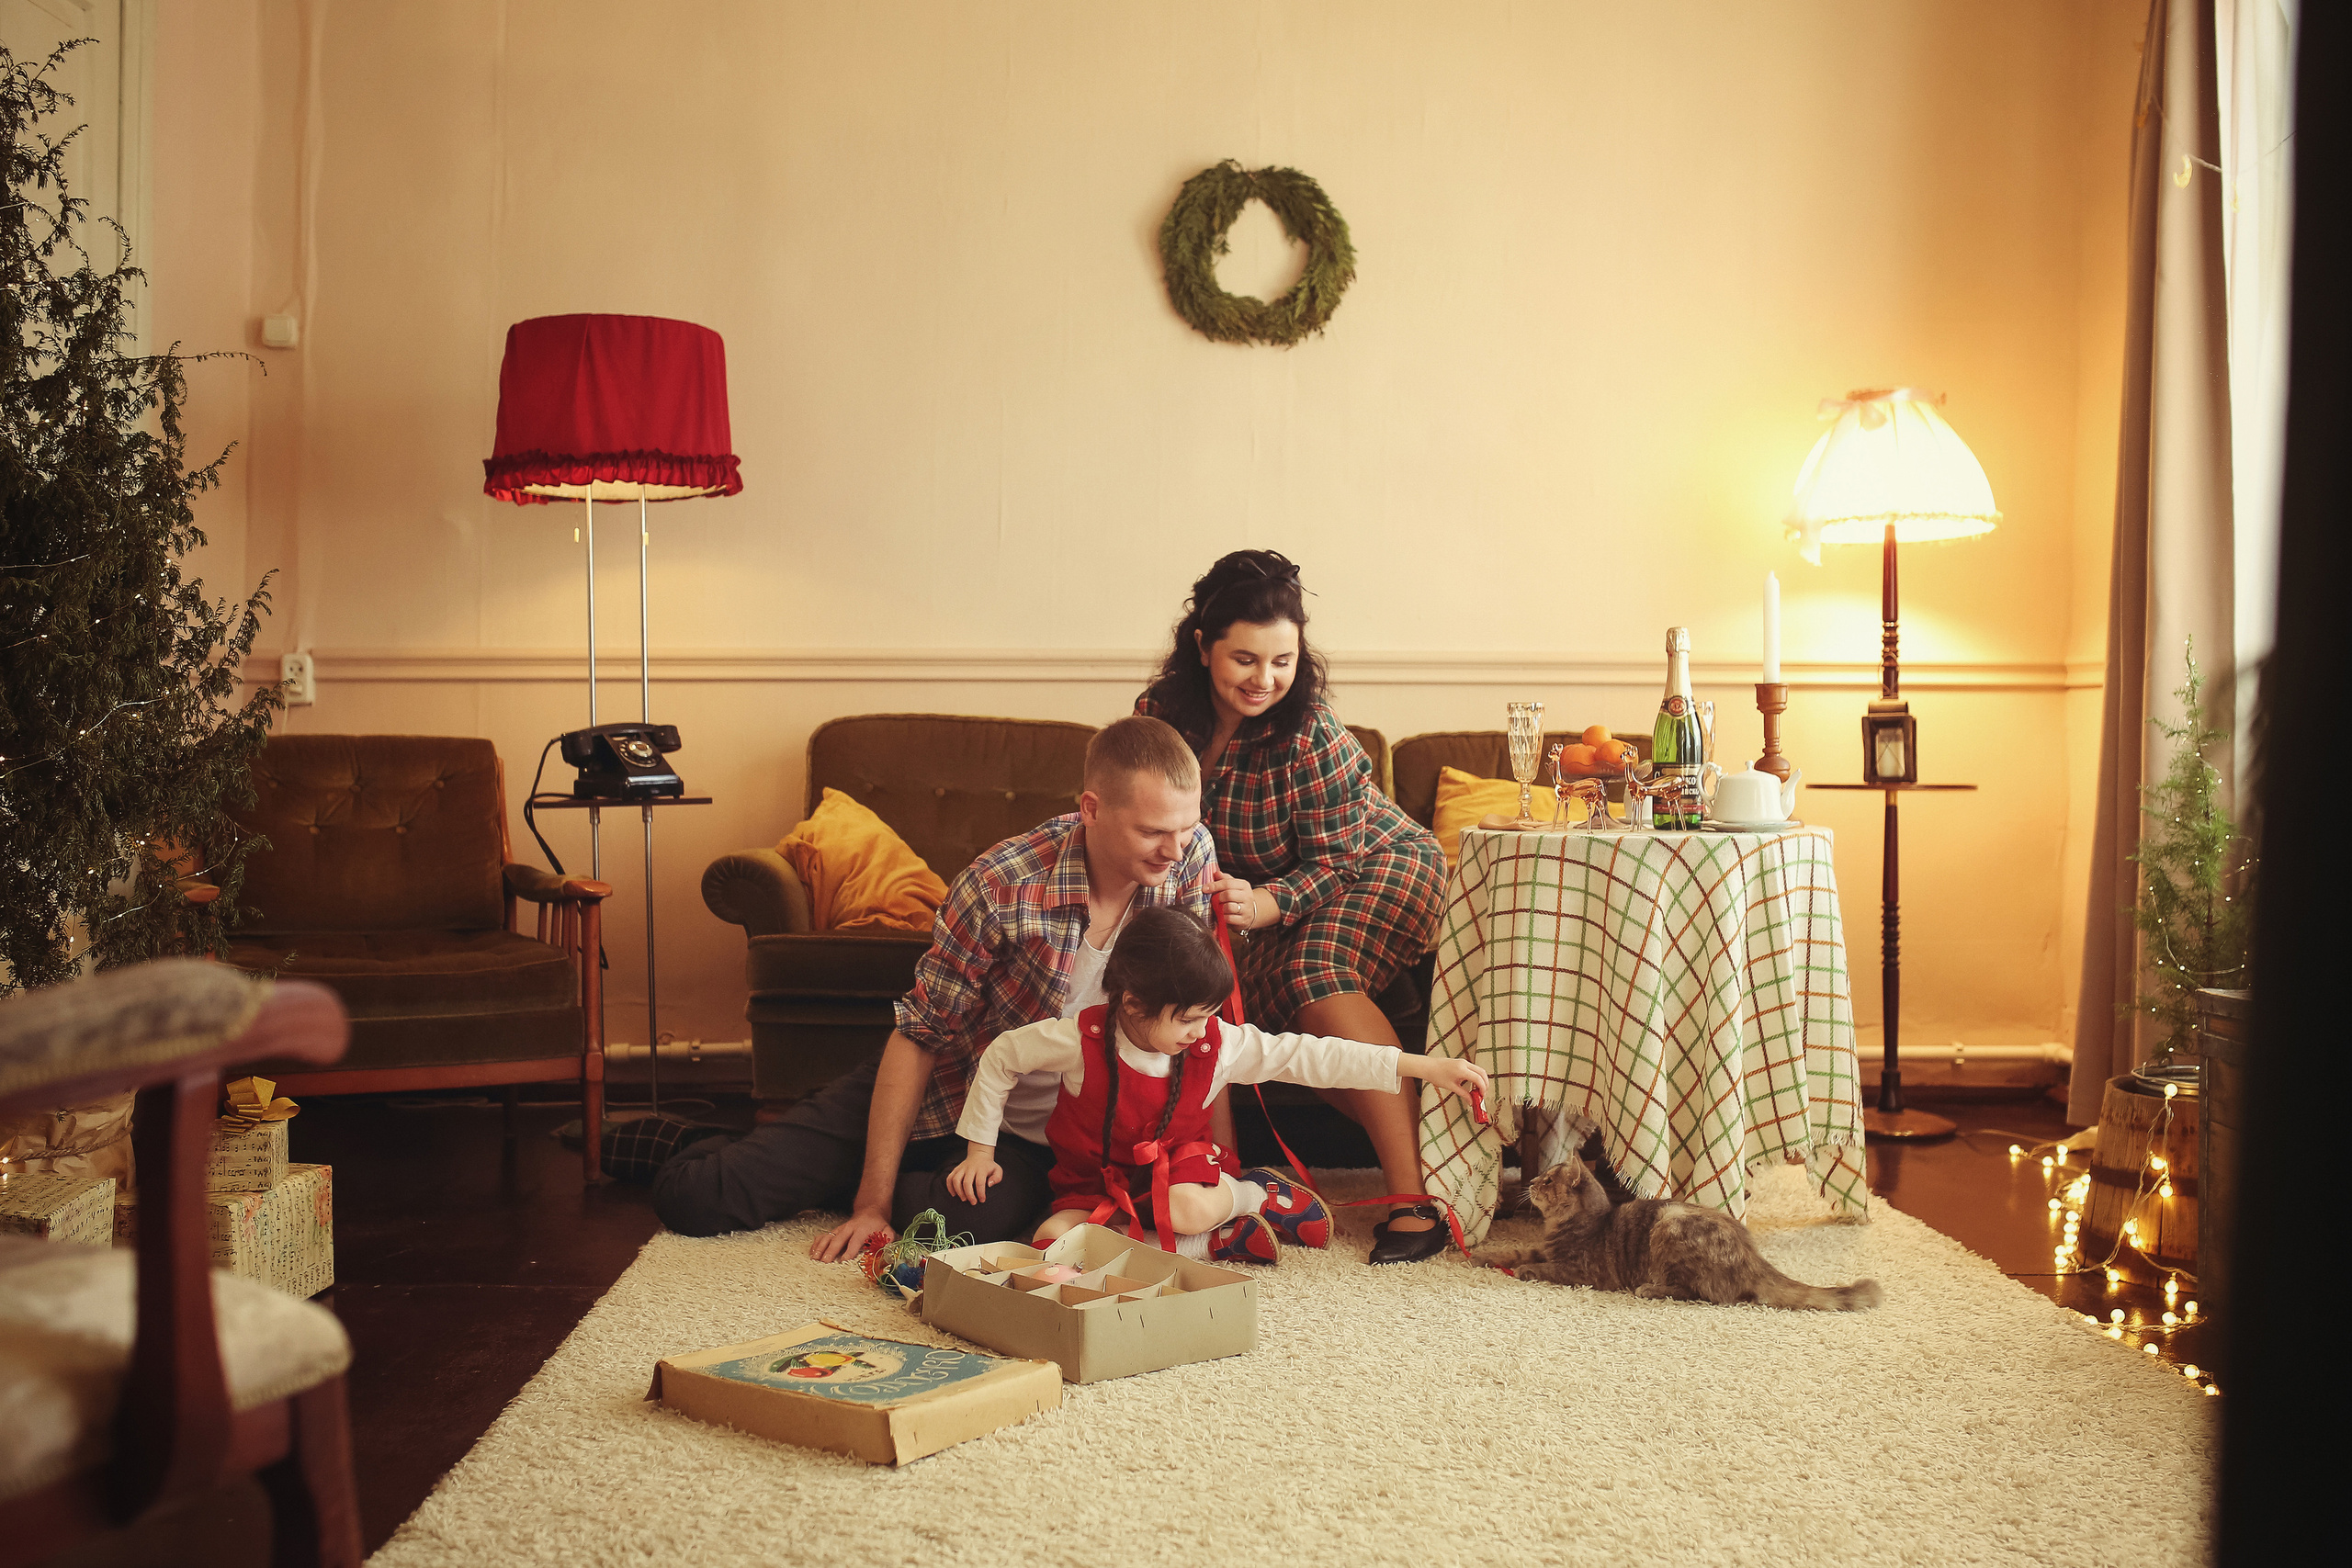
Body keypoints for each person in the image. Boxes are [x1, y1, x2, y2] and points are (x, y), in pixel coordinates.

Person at [645, 715, 1221, 1253]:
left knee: (961, 1230)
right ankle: (687, 1143)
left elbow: (1195, 1025)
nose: (1174, 849)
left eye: (1186, 828)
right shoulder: (1001, 885)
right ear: (1091, 809)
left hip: (1029, 1140)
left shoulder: (1189, 857)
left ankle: (845, 1171)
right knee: (699, 1201)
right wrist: (871, 1205)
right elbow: (920, 1036)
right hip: (944, 1088)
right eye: (1152, 832)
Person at [1136, 549, 1454, 1263]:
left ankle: (1414, 1202)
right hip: (1264, 899)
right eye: (1245, 659)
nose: (1265, 679)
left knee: (1313, 976)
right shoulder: (1160, 717)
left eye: (1283, 660)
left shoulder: (1310, 731)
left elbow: (1339, 858)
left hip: (1379, 866)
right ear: (1201, 646)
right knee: (1205, 996)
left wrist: (1270, 902)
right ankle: (1222, 1179)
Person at [946, 907, 1488, 1264]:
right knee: (1052, 1242)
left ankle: (1256, 1194)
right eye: (1186, 1019)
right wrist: (980, 1150)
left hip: (1181, 1172)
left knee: (1184, 1207)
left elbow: (1311, 1057)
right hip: (1097, 1179)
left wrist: (1424, 1067)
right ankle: (1215, 1242)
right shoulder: (1077, 1040)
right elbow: (1000, 1058)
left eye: (1208, 1017)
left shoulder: (1215, 1043)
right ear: (1132, 1005)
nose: (1200, 1031)